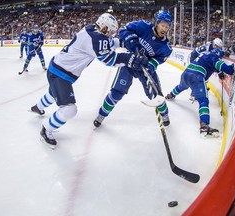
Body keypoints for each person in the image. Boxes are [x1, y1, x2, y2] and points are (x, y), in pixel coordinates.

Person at [29, 13, 148, 148]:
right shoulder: (97, 39)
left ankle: (38, 107)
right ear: (104, 28)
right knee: (70, 109)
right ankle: (46, 129)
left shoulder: (92, 29)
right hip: (60, 74)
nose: (112, 34)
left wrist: (124, 43)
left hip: (57, 68)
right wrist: (130, 59)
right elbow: (110, 60)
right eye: (111, 31)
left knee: (53, 93)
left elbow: (108, 43)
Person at [93, 10, 173, 128]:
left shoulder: (166, 47)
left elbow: (159, 60)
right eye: (162, 25)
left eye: (167, 27)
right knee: (117, 92)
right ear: (156, 23)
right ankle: (101, 115)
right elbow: (124, 30)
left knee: (156, 95)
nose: (164, 29)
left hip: (145, 70)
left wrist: (149, 64)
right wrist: (133, 42)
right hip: (129, 62)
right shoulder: (142, 26)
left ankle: (165, 115)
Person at [165, 48, 235, 137]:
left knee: (181, 87)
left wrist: (218, 71)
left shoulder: (205, 54)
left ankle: (170, 95)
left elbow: (208, 64)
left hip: (186, 73)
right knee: (203, 101)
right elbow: (224, 68)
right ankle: (204, 126)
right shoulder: (215, 57)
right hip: (196, 76)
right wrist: (231, 68)